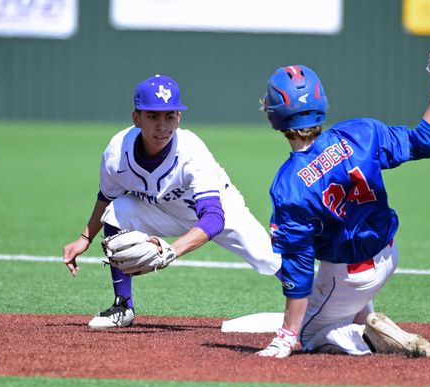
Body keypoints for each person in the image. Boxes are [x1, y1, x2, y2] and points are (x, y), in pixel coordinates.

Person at [257, 47, 430, 358]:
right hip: (388, 253)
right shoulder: (362, 132)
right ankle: (363, 317)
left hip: (349, 274)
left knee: (312, 335)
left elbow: (298, 271)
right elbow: (425, 141)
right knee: (340, 303)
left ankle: (370, 336)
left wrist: (288, 335)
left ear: (274, 114)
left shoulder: (289, 185)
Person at [63, 74, 281, 329]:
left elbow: (214, 218)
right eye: (153, 116)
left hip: (221, 210)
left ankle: (320, 304)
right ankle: (123, 306)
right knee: (118, 210)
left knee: (270, 259)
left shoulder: (191, 151)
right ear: (137, 118)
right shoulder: (116, 152)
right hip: (163, 211)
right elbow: (107, 196)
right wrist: (85, 237)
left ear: (179, 117)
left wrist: (171, 250)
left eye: (169, 116)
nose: (162, 125)